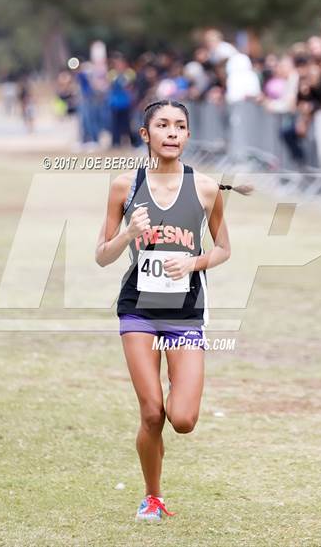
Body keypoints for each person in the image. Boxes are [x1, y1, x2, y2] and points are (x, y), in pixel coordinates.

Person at [95, 99, 252, 522]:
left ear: (187, 135)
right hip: (138, 311)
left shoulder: (205, 187)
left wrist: (193, 262)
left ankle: (175, 385)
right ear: (145, 135)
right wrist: (129, 231)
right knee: (151, 411)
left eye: (180, 126)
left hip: (185, 313)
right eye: (162, 125)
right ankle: (153, 497)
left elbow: (223, 250)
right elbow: (102, 256)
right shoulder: (123, 186)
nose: (172, 133)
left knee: (181, 418)